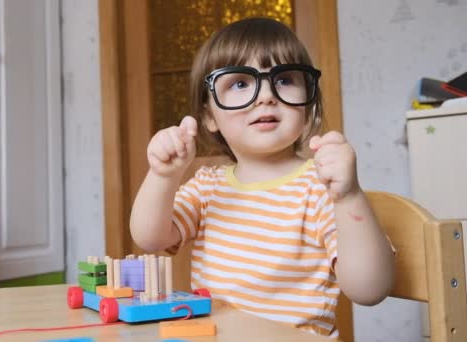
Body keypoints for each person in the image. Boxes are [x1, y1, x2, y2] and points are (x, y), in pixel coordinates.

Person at [129, 17, 395, 337]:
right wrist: (162, 176)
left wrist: (349, 196)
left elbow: (370, 290)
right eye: (240, 83)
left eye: (283, 80)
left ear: (309, 105)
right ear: (209, 116)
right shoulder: (207, 187)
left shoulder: (321, 188)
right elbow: (150, 238)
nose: (266, 95)